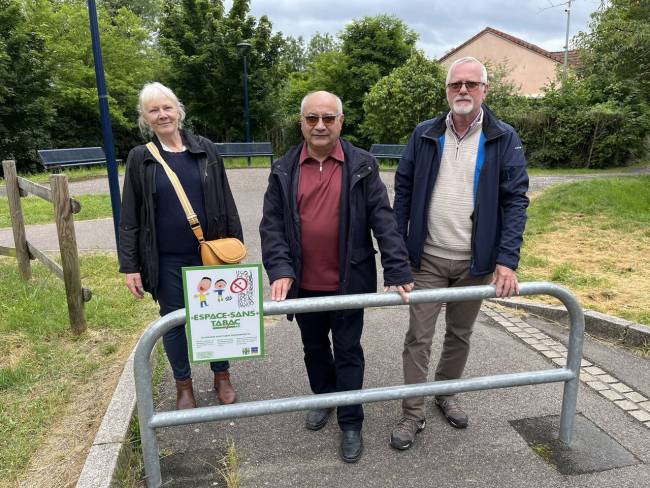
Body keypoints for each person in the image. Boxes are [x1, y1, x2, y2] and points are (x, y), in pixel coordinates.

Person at [259, 91, 414, 463]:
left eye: (328, 118)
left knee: (347, 351)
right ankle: (324, 397)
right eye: (312, 118)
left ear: (341, 122)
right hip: (304, 284)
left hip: (349, 281)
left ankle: (350, 421)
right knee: (313, 349)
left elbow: (383, 217)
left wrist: (396, 267)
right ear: (302, 123)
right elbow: (272, 226)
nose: (320, 125)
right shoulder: (283, 168)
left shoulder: (362, 164)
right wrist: (280, 269)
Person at [389, 57, 529, 450]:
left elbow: (515, 201)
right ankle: (412, 413)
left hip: (475, 261)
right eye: (455, 85)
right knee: (418, 337)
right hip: (427, 258)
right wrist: (397, 258)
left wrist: (506, 260)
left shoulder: (504, 136)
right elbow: (403, 196)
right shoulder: (424, 134)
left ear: (485, 89)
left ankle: (446, 393)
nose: (462, 90)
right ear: (447, 91)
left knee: (460, 334)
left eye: (471, 84)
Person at [118, 82, 243, 410]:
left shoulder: (205, 150)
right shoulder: (140, 158)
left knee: (217, 316)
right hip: (166, 258)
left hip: (210, 252)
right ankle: (183, 384)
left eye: (167, 108)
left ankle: (221, 376)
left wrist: (236, 248)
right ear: (145, 118)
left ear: (179, 110)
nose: (162, 115)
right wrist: (130, 265)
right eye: (154, 110)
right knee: (174, 322)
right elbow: (130, 215)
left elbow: (226, 200)